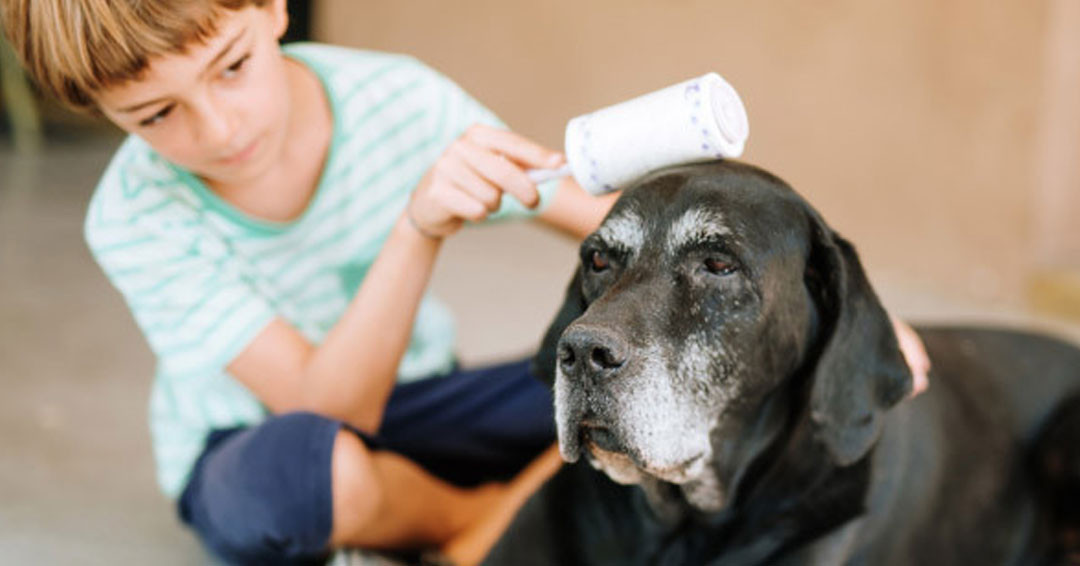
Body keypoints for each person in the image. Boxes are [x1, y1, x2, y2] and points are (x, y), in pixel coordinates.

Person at [0, 1, 931, 564]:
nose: (218, 127)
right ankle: (472, 514)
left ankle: (477, 483)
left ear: (273, 7)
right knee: (283, 491)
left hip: (432, 400)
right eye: (155, 114)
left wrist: (853, 318)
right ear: (100, 115)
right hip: (270, 434)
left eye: (232, 67)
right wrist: (419, 227)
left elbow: (607, 229)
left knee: (604, 373)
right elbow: (335, 409)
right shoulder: (134, 216)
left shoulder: (398, 98)